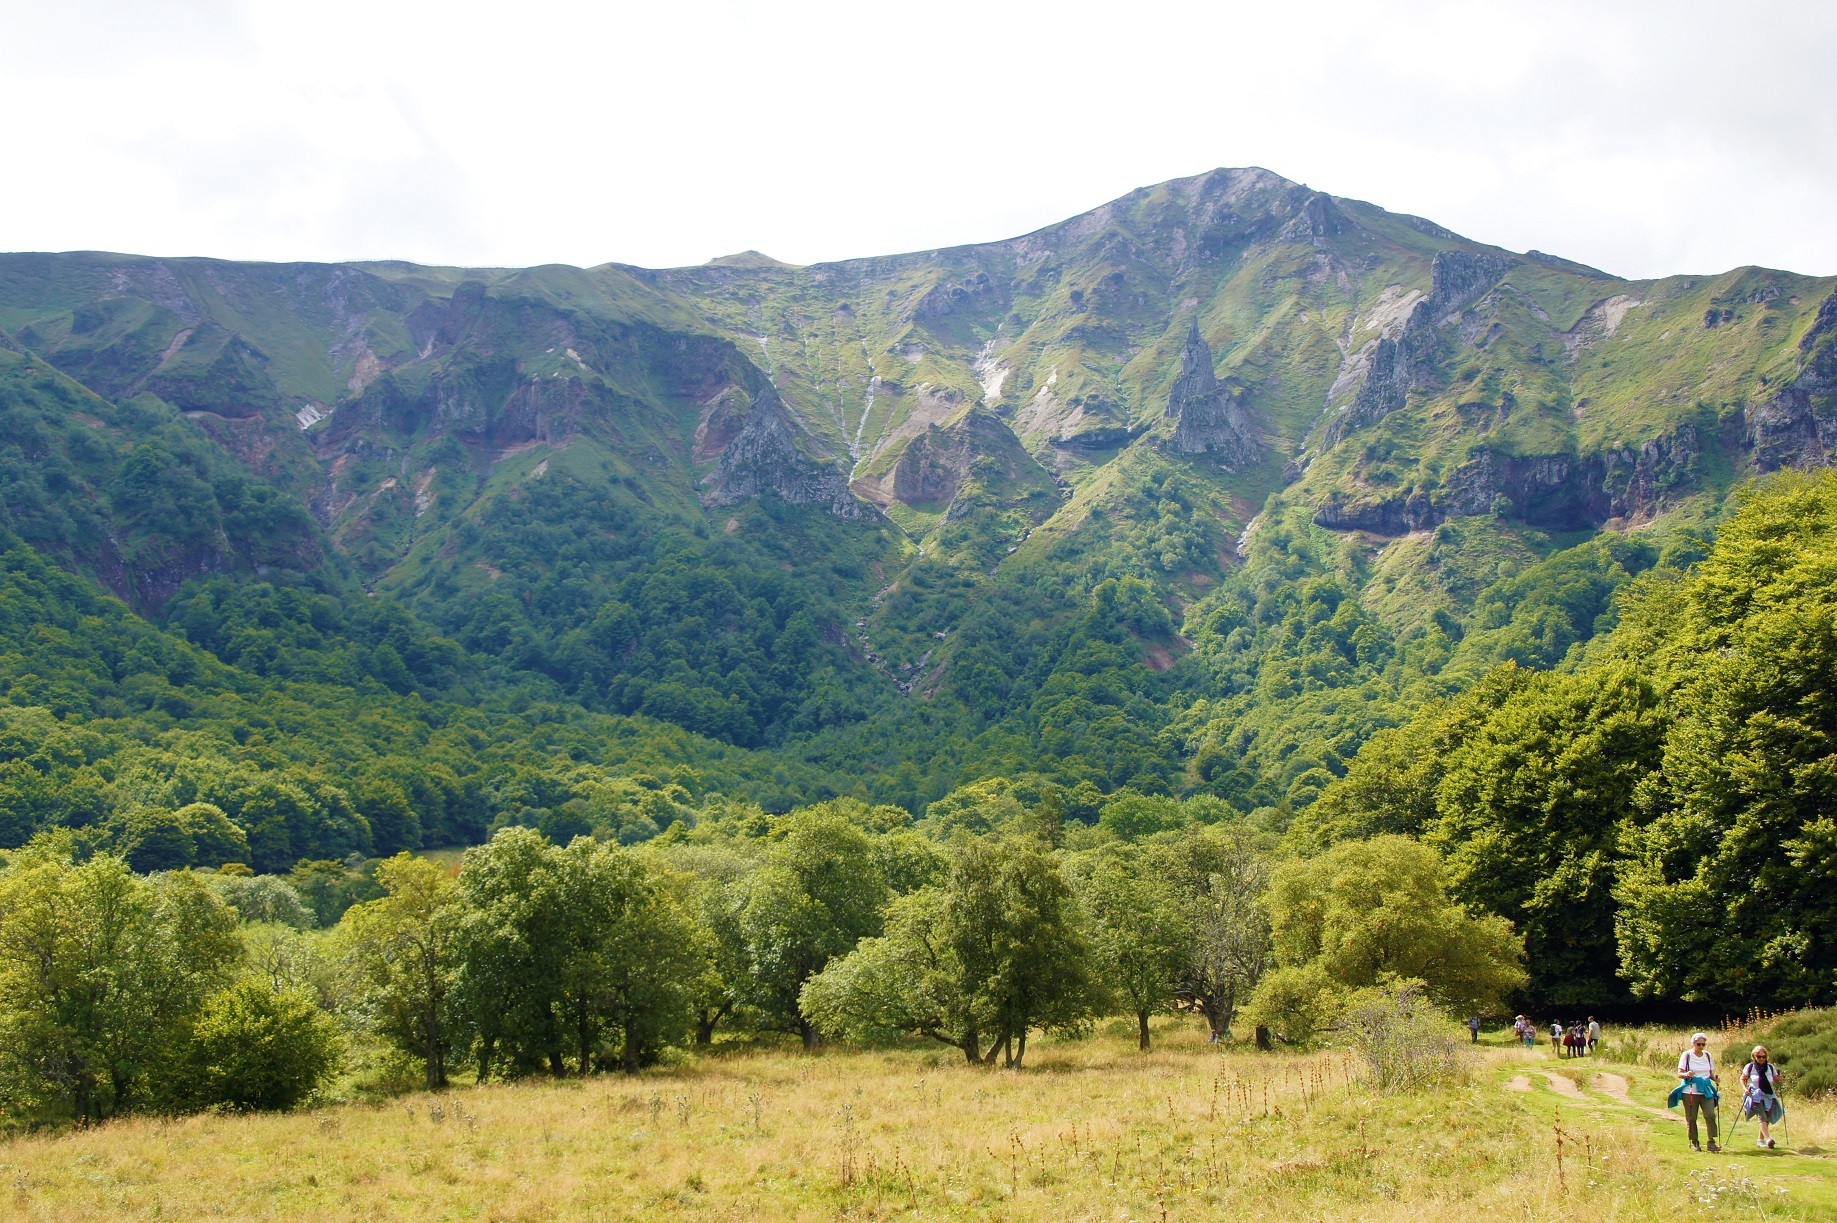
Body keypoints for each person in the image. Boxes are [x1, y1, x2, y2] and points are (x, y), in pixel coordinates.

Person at [1672, 1032, 1721, 1152]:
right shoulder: (1687, 1055)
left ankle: (1711, 1142)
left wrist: (1715, 1078)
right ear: (1693, 1043)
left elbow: (1710, 1074)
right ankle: (1695, 1142)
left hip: (1705, 1091)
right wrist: (1687, 1074)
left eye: (1703, 1044)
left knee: (1710, 1115)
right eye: (1699, 1044)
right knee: (1691, 1117)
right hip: (1690, 1091)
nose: (1701, 1047)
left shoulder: (1707, 1056)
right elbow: (1679, 1073)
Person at [1742, 1045, 1785, 1149]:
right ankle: (1768, 1139)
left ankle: (1760, 1140)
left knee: (1767, 1117)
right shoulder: (1750, 1067)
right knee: (1762, 1116)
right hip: (1755, 1095)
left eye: (1763, 1056)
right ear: (1754, 1056)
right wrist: (1745, 1089)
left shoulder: (1770, 1067)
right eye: (1759, 1056)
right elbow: (1743, 1078)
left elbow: (1775, 1079)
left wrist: (1779, 1079)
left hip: (1768, 1094)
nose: (1761, 1058)